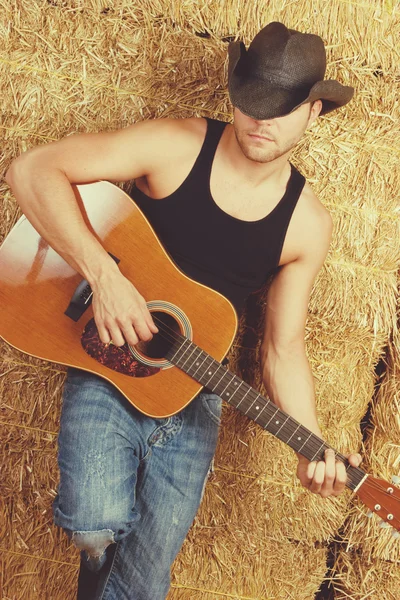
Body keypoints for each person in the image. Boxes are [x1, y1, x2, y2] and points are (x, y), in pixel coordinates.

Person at [5, 21, 362, 600]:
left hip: (197, 398)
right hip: (110, 363)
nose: (260, 121)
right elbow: (31, 171)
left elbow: (282, 349)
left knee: (146, 585)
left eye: (280, 108)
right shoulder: (175, 146)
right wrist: (106, 275)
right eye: (251, 102)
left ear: (315, 112)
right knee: (94, 527)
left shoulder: (306, 225)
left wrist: (310, 443)